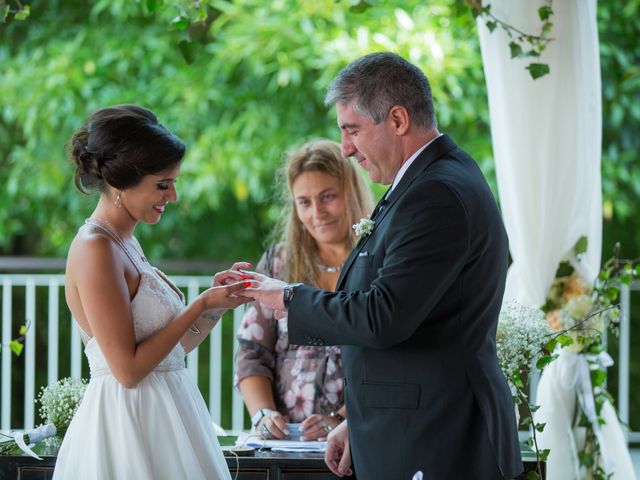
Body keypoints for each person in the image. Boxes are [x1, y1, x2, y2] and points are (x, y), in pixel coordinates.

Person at [241, 53, 523, 479]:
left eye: (352, 130)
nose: (346, 148)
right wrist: (359, 419)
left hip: (439, 437)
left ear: (397, 120)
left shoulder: (436, 194)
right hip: (410, 427)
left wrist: (287, 296)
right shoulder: (423, 184)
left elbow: (384, 315)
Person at [54, 104, 250, 480]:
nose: (172, 196)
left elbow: (172, 351)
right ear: (121, 183)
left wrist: (215, 306)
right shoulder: (96, 248)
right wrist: (199, 305)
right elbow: (127, 371)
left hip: (169, 415)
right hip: (129, 425)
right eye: (163, 184)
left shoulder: (125, 241)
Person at [234, 139, 373, 442]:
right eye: (304, 202)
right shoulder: (278, 262)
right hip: (288, 443)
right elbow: (251, 352)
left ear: (351, 192)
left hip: (360, 437)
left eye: (328, 197)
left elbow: (390, 362)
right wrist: (263, 415)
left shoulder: (375, 261)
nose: (317, 212)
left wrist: (340, 420)